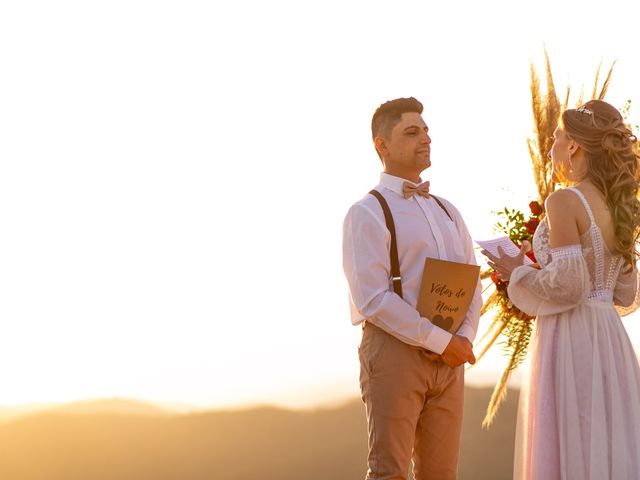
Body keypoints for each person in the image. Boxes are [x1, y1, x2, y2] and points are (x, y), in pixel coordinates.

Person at [483, 99, 640, 479]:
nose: (551, 144)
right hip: (610, 338)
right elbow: (625, 291)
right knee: (603, 442)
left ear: (573, 146)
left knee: (572, 439)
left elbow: (569, 286)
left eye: (556, 136)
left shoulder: (564, 200)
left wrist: (517, 270)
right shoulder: (618, 205)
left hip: (572, 336)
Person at [342, 97, 482, 480]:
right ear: (381, 144)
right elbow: (372, 299)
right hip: (394, 352)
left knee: (442, 474)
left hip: (451, 358)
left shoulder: (448, 210)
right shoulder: (367, 211)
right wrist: (439, 340)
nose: (426, 138)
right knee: (390, 472)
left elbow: (472, 279)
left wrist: (463, 339)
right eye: (412, 132)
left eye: (426, 131)